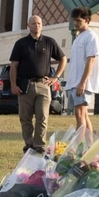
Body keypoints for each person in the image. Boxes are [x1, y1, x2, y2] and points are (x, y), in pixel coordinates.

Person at [10, 15, 66, 154]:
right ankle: (29, 145)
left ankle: (39, 146)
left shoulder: (49, 42)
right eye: (34, 24)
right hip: (25, 85)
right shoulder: (21, 43)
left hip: (43, 85)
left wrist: (56, 77)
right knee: (25, 118)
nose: (37, 26)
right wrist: (13, 84)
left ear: (42, 25)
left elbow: (63, 58)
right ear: (28, 25)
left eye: (39, 23)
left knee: (42, 117)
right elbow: (13, 66)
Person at [64, 7, 99, 139]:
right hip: (74, 83)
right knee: (83, 114)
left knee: (80, 114)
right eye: (74, 20)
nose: (75, 23)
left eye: (79, 20)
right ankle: (91, 147)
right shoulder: (78, 37)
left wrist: (82, 82)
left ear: (87, 20)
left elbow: (91, 59)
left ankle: (79, 147)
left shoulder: (91, 36)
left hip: (82, 83)